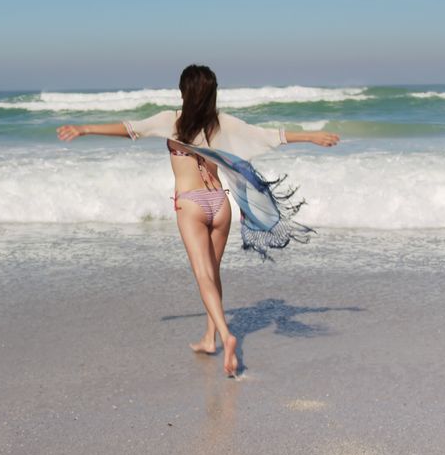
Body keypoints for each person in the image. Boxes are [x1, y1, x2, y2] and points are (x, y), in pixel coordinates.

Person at [56, 65, 339, 376]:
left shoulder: (170, 120)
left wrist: (84, 129)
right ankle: (209, 337)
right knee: (213, 274)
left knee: (204, 276)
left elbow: (130, 128)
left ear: (183, 91)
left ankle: (226, 336)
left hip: (191, 205)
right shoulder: (222, 124)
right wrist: (311, 136)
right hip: (220, 204)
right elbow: (269, 136)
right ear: (212, 93)